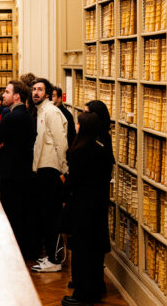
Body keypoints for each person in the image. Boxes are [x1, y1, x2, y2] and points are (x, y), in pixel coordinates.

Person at [61, 111, 115, 306]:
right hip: (97, 206)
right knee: (94, 252)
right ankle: (94, 290)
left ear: (84, 127)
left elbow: (73, 180)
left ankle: (82, 295)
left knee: (83, 252)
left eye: (78, 123)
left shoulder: (81, 151)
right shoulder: (101, 149)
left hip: (82, 208)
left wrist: (63, 192)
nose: (75, 126)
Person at [0, 80, 37, 258]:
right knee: (21, 211)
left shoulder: (11, 116)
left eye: (7, 92)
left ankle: (15, 251)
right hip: (23, 170)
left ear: (17, 96)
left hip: (11, 172)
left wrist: (0, 142)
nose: (4, 95)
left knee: (12, 212)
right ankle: (24, 249)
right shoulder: (26, 115)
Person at [29, 79, 69, 273]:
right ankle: (52, 256)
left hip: (52, 170)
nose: (36, 92)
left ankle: (55, 260)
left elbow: (61, 142)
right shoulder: (41, 111)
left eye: (40, 90)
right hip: (43, 169)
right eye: (34, 89)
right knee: (46, 215)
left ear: (47, 93)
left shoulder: (51, 112)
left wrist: (63, 171)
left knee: (52, 217)